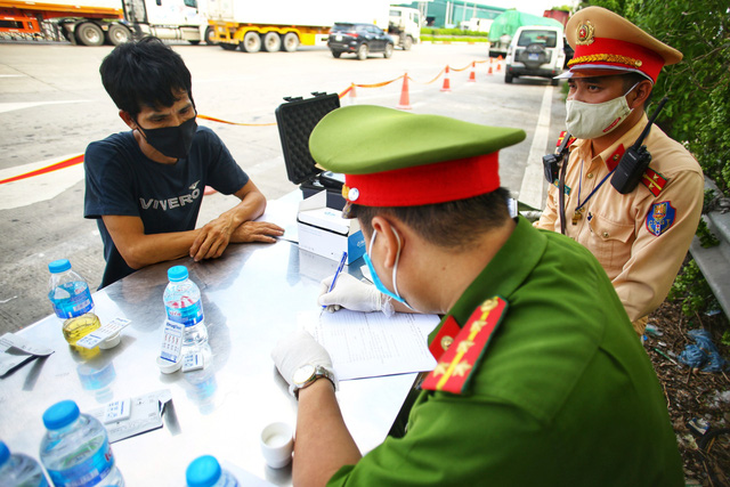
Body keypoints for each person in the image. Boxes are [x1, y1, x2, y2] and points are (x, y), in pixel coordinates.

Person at [271, 105, 684, 486]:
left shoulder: (493, 401)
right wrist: (384, 299)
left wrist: (313, 378)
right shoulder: (563, 256)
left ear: (385, 239)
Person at [534, 7, 704, 334]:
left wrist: (560, 325)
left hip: (604, 330)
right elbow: (550, 223)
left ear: (639, 93)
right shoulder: (574, 146)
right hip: (548, 304)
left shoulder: (673, 175)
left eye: (593, 88)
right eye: (573, 87)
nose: (577, 100)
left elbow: (639, 289)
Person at [84, 37, 283, 287]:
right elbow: (135, 251)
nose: (177, 125)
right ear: (130, 120)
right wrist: (226, 235)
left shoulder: (203, 142)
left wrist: (227, 222)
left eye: (184, 111)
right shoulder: (108, 158)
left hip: (185, 274)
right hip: (132, 287)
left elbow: (255, 198)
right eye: (159, 119)